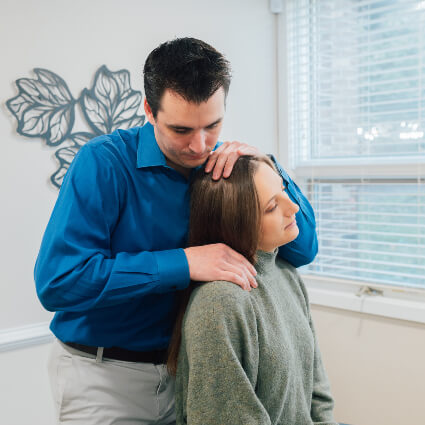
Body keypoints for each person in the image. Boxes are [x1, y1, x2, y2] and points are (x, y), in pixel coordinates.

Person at [34, 38, 318, 425]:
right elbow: (59, 282)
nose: (199, 145)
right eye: (181, 129)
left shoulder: (223, 167)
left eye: (212, 125)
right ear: (149, 110)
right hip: (104, 376)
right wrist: (183, 263)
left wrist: (268, 166)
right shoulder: (102, 163)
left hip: (188, 373)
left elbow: (302, 250)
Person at [170, 155, 336, 425]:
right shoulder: (220, 303)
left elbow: (318, 392)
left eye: (283, 190)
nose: (293, 206)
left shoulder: (287, 274)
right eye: (272, 206)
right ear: (237, 222)